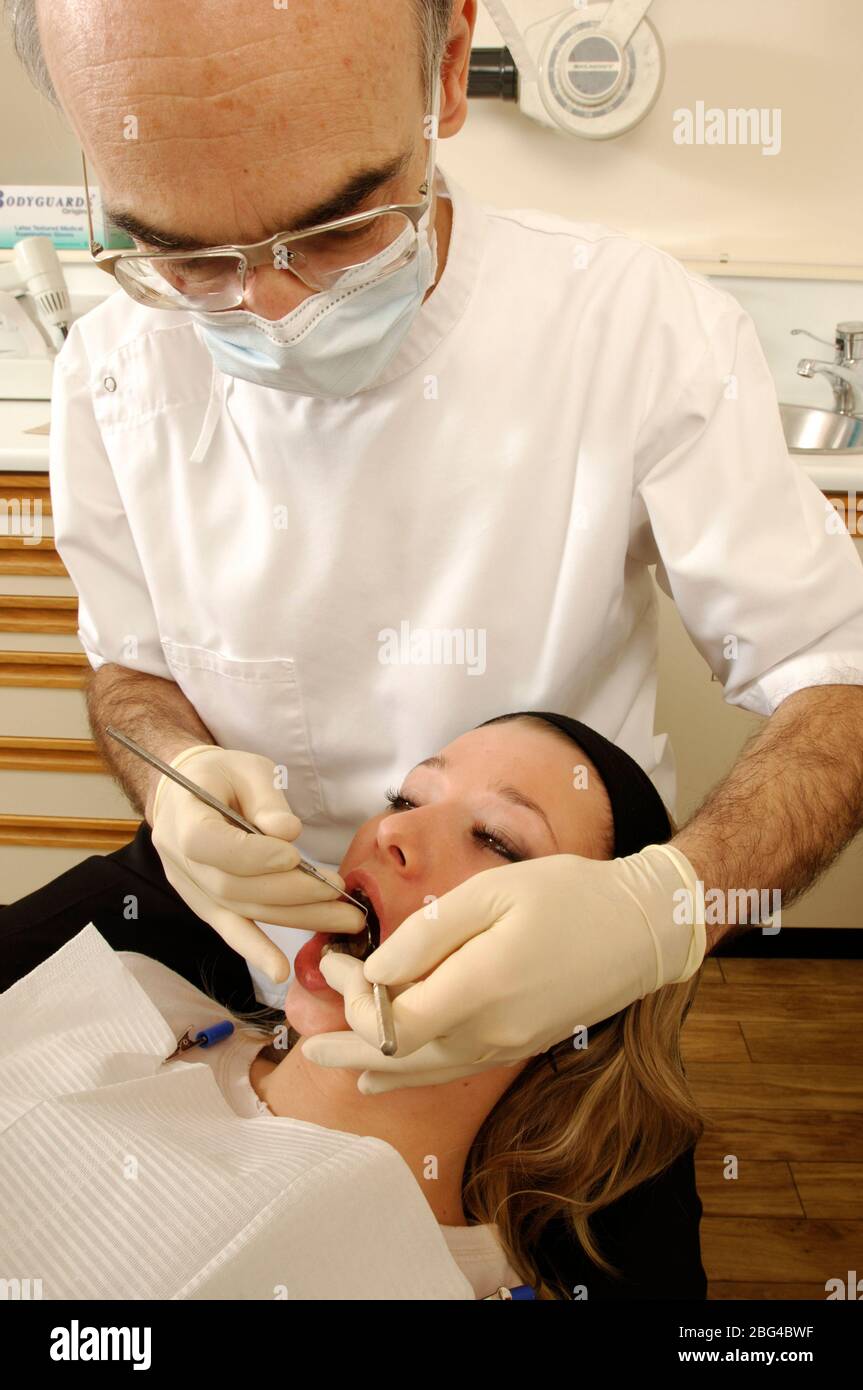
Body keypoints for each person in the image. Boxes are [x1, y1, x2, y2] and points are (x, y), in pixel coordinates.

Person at [4, 0, 863, 1090]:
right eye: (188, 256)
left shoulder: (631, 330)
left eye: (334, 232)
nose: (273, 313)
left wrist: (666, 907)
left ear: (447, 63)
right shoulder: (111, 373)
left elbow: (840, 675)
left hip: (549, 947)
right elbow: (129, 672)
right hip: (237, 908)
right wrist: (175, 784)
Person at [0, 713, 708, 1300]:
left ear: (579, 1000)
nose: (389, 833)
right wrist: (168, 768)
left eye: (496, 840)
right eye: (405, 799)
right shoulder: (136, 986)